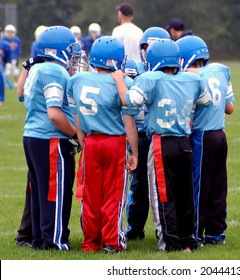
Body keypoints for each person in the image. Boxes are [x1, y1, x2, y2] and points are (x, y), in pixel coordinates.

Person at [113, 38, 211, 252]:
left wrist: (120, 80)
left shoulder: (151, 78)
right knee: (185, 194)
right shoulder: (190, 79)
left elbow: (130, 101)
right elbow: (206, 101)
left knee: (162, 195)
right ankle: (188, 240)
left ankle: (170, 242)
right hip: (184, 143)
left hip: (161, 143)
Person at [67, 36, 138, 253]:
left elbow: (78, 117)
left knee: (90, 195)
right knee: (114, 195)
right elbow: (129, 122)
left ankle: (91, 242)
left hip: (91, 141)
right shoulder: (123, 82)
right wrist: (134, 152)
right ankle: (112, 241)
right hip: (114, 142)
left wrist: (83, 142)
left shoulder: (78, 79)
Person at [15, 45, 83, 248]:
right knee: (55, 192)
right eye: (71, 54)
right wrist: (75, 134)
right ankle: (54, 241)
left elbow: (19, 92)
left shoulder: (37, 68)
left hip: (32, 135)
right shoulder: (54, 71)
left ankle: (38, 238)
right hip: (50, 138)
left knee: (40, 192)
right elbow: (54, 113)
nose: (73, 60)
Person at [177, 35, 235, 246]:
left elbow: (189, 116)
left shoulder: (191, 77)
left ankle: (194, 234)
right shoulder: (220, 70)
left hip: (202, 136)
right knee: (219, 187)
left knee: (198, 188)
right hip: (220, 134)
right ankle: (216, 233)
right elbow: (230, 109)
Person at [124, 26, 171, 241]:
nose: (150, 50)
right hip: (141, 134)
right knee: (139, 185)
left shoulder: (172, 71)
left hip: (163, 133)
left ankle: (170, 228)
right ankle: (135, 228)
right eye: (147, 46)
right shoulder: (135, 68)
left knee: (168, 184)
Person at [0, 27, 11, 108]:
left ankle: (1, 100)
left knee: (0, 83)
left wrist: (7, 64)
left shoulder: (4, 44)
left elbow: (7, 57)